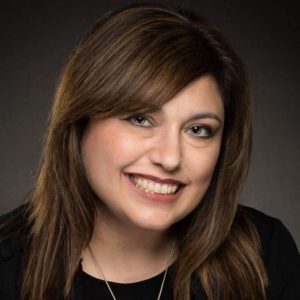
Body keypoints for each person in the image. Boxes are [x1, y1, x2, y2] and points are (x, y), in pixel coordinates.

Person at [0, 3, 299, 300]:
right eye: (140, 119)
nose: (170, 158)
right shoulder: (7, 267)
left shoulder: (266, 256)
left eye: (198, 130)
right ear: (80, 123)